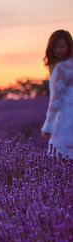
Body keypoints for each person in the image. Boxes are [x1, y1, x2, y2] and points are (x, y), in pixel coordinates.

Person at [41, 30, 73, 159]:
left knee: (61, 159)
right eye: (55, 47)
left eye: (62, 46)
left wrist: (48, 125)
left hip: (65, 119)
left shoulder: (60, 67)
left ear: (69, 46)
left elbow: (55, 100)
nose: (58, 50)